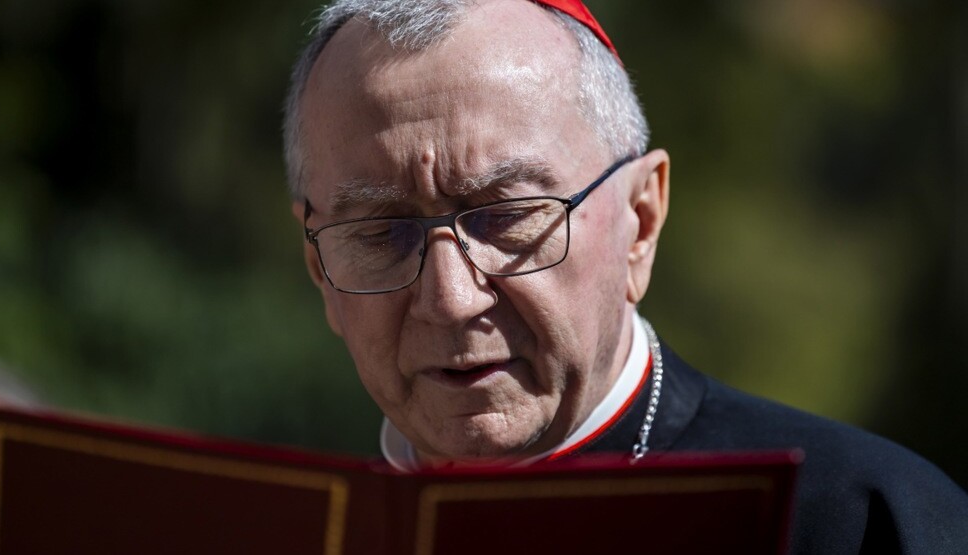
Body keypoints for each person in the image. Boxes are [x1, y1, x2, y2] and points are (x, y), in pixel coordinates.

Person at [282, 0, 968, 552]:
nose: (450, 300)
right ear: (319, 271)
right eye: (378, 233)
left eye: (508, 215)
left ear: (640, 220)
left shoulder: (866, 523)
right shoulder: (274, 529)